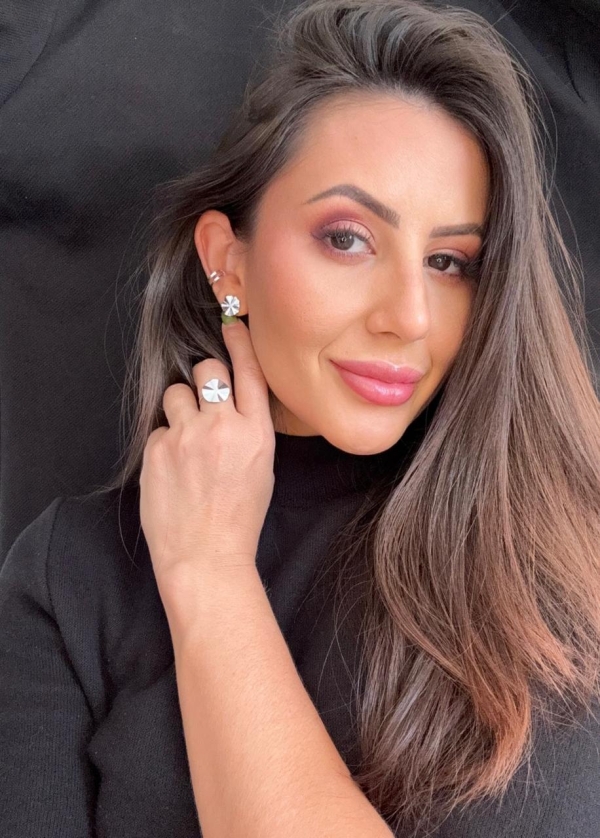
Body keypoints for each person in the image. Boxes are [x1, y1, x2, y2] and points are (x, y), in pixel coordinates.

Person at [1, 0, 600, 835]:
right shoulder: (72, 575)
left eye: (449, 261)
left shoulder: (548, 563)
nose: (410, 316)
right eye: (348, 239)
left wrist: (212, 573)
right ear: (227, 261)